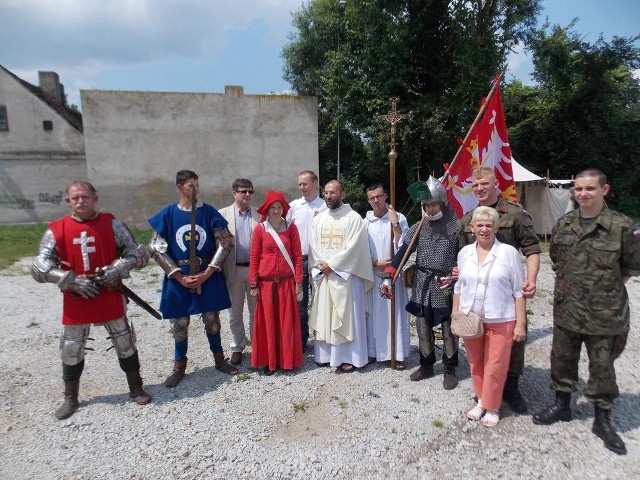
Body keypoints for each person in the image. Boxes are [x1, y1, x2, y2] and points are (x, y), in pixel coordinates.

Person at [532, 169, 640, 455]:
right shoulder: (564, 224)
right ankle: (562, 405)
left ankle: (602, 419)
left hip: (605, 313)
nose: (583, 194)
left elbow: (631, 265)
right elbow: (556, 259)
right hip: (568, 308)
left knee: (602, 365)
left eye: (589, 188)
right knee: (562, 358)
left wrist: (603, 287)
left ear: (604, 190)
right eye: (578, 189)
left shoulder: (621, 226)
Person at [32, 180, 151, 419]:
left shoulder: (111, 223)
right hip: (77, 296)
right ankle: (70, 397)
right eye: (75, 198)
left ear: (95, 198)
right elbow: (39, 265)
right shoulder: (57, 228)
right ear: (68, 201)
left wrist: (117, 268)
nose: (80, 201)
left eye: (85, 196)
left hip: (109, 292)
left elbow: (137, 252)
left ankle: (136, 387)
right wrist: (67, 279)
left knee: (124, 342)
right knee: (71, 347)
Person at [459, 166, 540, 413]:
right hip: (478, 295)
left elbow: (532, 248)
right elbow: (462, 256)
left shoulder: (514, 214)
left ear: (496, 184)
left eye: (484, 184)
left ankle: (511, 387)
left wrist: (532, 278)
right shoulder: (468, 219)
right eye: (476, 185)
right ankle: (484, 391)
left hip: (507, 290)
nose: (480, 188)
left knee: (511, 344)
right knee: (480, 341)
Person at [148, 170, 237, 388]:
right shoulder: (168, 214)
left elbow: (225, 243)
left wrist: (207, 273)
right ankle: (179, 367)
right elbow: (157, 248)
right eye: (190, 186)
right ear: (179, 186)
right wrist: (178, 276)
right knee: (179, 323)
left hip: (207, 274)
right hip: (179, 276)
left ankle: (219, 360)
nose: (195, 189)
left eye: (197, 185)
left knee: (212, 320)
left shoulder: (208, 212)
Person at [385, 176, 461, 388]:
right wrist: (393, 267)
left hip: (446, 283)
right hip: (422, 282)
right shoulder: (421, 226)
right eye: (426, 205)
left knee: (448, 328)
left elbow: (466, 254)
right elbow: (404, 250)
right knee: (422, 327)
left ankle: (449, 367)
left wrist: (459, 271)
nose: (429, 208)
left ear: (442, 204)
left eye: (433, 204)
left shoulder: (456, 227)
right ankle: (427, 364)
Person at [454, 206, 526, 427]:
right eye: (479, 225)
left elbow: (518, 290)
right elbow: (459, 286)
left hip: (501, 317)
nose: (484, 229)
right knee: (475, 362)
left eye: (488, 225)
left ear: (496, 227)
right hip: (470, 317)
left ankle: (493, 406)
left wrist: (520, 323)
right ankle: (481, 400)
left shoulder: (508, 253)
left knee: (495, 364)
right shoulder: (465, 253)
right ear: (472, 228)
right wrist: (454, 315)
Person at [309, 180, 374, 372]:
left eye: (333, 193)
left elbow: (355, 248)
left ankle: (349, 357)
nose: (329, 196)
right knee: (324, 314)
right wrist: (323, 265)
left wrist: (333, 265)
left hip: (345, 276)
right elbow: (313, 244)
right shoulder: (319, 218)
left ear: (343, 194)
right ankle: (325, 355)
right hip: (325, 275)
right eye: (326, 193)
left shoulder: (354, 218)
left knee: (347, 317)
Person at [249, 190, 304, 375]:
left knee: (287, 323)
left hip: (287, 284)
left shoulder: (291, 228)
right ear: (267, 209)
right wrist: (253, 284)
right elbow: (255, 257)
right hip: (265, 285)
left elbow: (297, 257)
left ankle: (287, 361)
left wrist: (298, 281)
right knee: (268, 324)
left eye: (279, 207)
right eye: (272, 207)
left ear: (284, 208)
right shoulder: (260, 229)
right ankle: (269, 361)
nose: (276, 210)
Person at [363, 183, 410, 369]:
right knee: (374, 315)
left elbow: (403, 244)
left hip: (394, 274)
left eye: (379, 196)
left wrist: (395, 223)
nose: (376, 201)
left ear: (385, 196)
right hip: (374, 273)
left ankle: (397, 353)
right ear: (368, 200)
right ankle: (374, 351)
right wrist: (374, 262)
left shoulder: (398, 217)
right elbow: (360, 250)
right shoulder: (364, 222)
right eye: (372, 198)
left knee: (395, 314)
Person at [219, 179, 260, 366]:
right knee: (234, 312)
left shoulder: (259, 214)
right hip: (233, 269)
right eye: (243, 191)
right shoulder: (222, 215)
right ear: (234, 193)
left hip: (255, 270)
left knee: (256, 311)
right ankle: (237, 347)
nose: (247, 195)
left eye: (250, 192)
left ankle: (257, 346)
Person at [286, 170, 327, 350]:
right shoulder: (293, 206)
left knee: (322, 302)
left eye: (305, 184)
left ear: (315, 184)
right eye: (300, 184)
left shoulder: (325, 206)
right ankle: (301, 341)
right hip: (299, 261)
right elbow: (285, 232)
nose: (301, 187)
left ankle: (322, 341)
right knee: (300, 305)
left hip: (320, 262)